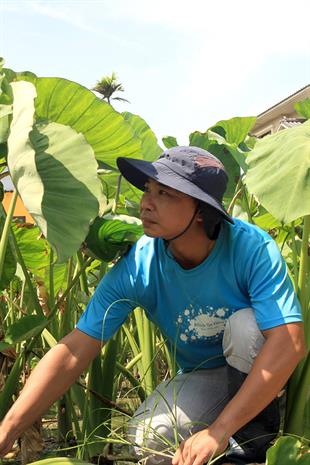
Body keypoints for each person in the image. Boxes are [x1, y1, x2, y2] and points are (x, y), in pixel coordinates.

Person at [0, 147, 305, 465]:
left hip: (261, 367)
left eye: (165, 193)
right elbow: (75, 349)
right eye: (148, 190)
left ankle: (254, 444)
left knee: (246, 326)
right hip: (207, 375)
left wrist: (219, 431)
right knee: (151, 438)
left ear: (201, 210)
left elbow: (288, 342)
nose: (146, 203)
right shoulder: (139, 265)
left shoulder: (249, 247)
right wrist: (8, 427)